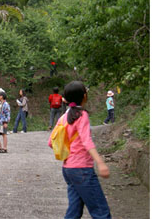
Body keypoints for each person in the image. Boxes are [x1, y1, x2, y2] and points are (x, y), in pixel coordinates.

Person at [49, 81, 111, 218]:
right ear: (84, 96)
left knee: (74, 211)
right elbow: (86, 141)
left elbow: (50, 142)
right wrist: (100, 163)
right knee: (101, 212)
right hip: (82, 170)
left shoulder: (64, 117)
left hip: (68, 169)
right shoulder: (82, 115)